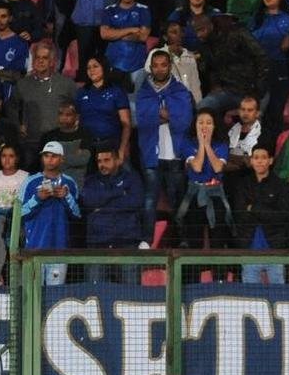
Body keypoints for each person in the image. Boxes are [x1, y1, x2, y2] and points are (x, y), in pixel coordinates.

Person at [136, 48, 192, 247]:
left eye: (163, 65)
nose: (159, 69)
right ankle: (146, 240)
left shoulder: (181, 91)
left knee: (178, 200)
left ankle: (182, 240)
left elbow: (185, 121)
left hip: (175, 156)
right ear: (151, 67)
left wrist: (166, 117)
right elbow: (141, 119)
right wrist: (166, 116)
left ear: (169, 66)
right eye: (156, 65)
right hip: (151, 155)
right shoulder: (144, 92)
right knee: (150, 200)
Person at [232, 145, 289, 284]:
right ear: (251, 161)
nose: (259, 161)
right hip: (249, 250)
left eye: (263, 157)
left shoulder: (280, 185)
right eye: (256, 158)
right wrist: (268, 211)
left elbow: (283, 216)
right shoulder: (243, 184)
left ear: (271, 160)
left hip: (275, 250)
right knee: (251, 300)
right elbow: (240, 215)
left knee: (279, 298)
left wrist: (254, 208)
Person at [19, 140, 80, 285]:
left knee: (55, 296)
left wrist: (66, 197)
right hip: (34, 248)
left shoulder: (69, 183)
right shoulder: (30, 181)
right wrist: (38, 198)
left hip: (59, 248)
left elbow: (77, 215)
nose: (50, 159)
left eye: (54, 156)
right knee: (32, 294)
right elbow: (19, 213)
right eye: (46, 156)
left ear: (62, 159)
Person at [81, 144, 143, 283]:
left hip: (127, 244)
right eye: (99, 161)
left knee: (131, 296)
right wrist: (119, 192)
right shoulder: (91, 181)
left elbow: (135, 201)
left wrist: (102, 207)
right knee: (94, 296)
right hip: (97, 244)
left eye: (107, 160)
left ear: (117, 160)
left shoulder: (131, 178)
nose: (102, 164)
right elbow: (88, 201)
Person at [190, 14, 268, 119]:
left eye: (201, 30)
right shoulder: (205, 46)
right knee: (202, 108)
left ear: (210, 25)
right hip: (227, 91)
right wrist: (215, 84)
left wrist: (258, 89)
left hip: (252, 90)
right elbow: (211, 69)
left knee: (252, 121)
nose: (199, 35)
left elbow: (261, 57)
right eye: (196, 32)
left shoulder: (237, 32)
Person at [176, 109, 231, 249]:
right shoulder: (187, 142)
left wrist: (208, 145)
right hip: (194, 193)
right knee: (195, 238)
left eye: (209, 123)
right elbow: (197, 167)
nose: (204, 126)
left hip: (215, 193)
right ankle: (195, 270)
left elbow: (218, 167)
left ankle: (219, 270)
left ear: (215, 126)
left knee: (218, 238)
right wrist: (201, 144)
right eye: (200, 123)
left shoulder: (222, 143)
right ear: (194, 125)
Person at [251, 0, 289, 130]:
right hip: (258, 68)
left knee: (276, 110)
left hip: (280, 67)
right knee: (258, 111)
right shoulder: (257, 18)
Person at [75, 58, 131, 165]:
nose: (91, 70)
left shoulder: (116, 91)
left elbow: (126, 123)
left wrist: (122, 149)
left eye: (95, 66)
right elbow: (76, 122)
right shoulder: (81, 93)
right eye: (89, 68)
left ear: (104, 68)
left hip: (112, 145)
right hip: (87, 147)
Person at [0, 142, 26, 285]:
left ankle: (19, 285)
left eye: (11, 156)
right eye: (3, 156)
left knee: (17, 252)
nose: (7, 160)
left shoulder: (25, 176)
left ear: (17, 158)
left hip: (18, 218)